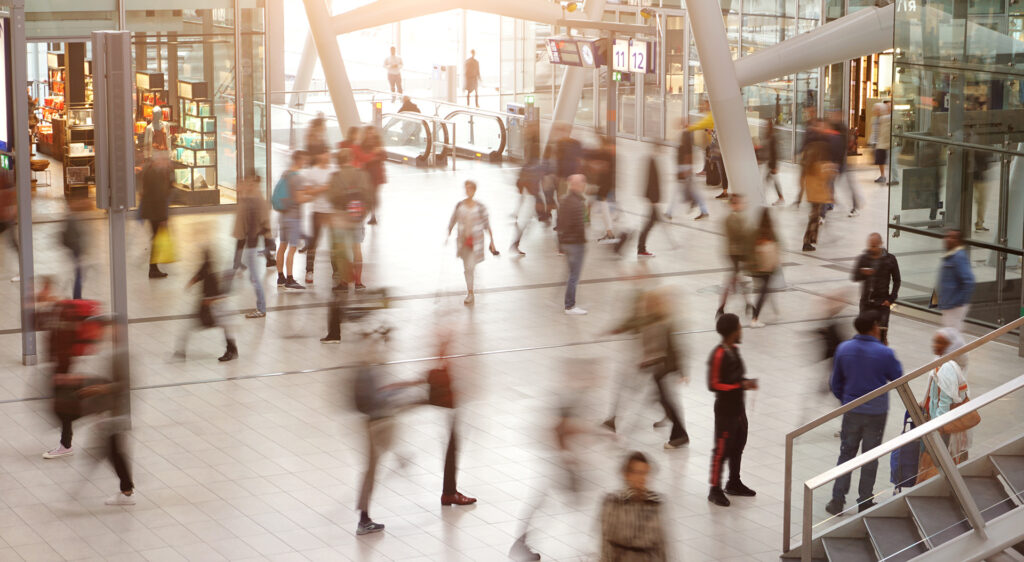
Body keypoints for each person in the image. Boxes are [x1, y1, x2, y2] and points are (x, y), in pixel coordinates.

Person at [825, 310, 903, 515]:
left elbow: (835, 382)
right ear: (874, 327)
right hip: (876, 412)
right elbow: (897, 376)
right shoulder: (883, 352)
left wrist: (846, 400)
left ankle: (837, 500)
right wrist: (885, 348)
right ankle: (865, 500)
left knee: (846, 454)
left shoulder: (844, 348)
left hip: (852, 410)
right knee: (870, 456)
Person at [606, 286, 690, 449]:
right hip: (653, 367)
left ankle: (680, 435)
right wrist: (617, 329)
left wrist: (682, 372)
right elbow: (633, 324)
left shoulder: (665, 322)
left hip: (663, 367)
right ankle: (677, 433)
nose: (647, 305)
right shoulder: (648, 319)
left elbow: (675, 348)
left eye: (651, 303)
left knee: (663, 400)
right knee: (661, 400)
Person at [707, 313, 758, 507]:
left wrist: (744, 383)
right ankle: (714, 489)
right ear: (732, 331)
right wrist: (740, 386)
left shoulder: (734, 350)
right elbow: (713, 384)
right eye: (739, 327)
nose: (741, 330)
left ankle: (733, 482)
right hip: (725, 411)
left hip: (738, 409)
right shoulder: (718, 354)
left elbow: (734, 380)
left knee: (738, 446)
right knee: (721, 449)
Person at [600, 452, 668, 560]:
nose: (642, 478)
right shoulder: (614, 502)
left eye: (645, 473)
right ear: (627, 475)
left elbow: (661, 544)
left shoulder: (655, 503)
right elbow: (606, 544)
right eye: (638, 473)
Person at [175, 249, 237, 362]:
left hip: (213, 309)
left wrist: (207, 302)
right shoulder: (208, 269)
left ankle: (232, 351)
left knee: (224, 326)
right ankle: (232, 350)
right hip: (210, 308)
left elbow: (218, 294)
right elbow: (198, 276)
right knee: (225, 327)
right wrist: (191, 283)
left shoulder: (211, 275)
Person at [922, 328, 971, 467]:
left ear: (951, 347)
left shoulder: (947, 368)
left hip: (942, 428)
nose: (935, 345)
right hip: (940, 425)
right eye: (935, 341)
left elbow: (945, 403)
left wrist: (936, 428)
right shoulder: (941, 362)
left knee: (938, 465)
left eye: (940, 343)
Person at [446, 180, 498, 305]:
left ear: (474, 191)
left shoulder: (480, 207)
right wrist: (449, 231)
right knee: (467, 267)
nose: (467, 190)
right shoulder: (460, 205)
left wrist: (492, 241)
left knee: (470, 267)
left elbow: (487, 224)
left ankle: (470, 292)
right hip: (463, 242)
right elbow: (453, 220)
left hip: (476, 242)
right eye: (466, 188)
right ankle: (470, 292)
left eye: (470, 188)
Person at [852, 233, 901, 345]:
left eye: (874, 246)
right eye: (870, 245)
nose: (871, 248)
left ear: (880, 244)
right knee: (864, 334)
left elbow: (897, 280)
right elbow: (854, 277)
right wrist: (862, 273)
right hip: (866, 302)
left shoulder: (890, 259)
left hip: (882, 303)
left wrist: (891, 299)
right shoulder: (864, 258)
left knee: (882, 335)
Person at [234, 175, 270, 318]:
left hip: (252, 244)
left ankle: (261, 309)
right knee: (253, 277)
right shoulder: (251, 200)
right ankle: (261, 307)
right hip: (251, 243)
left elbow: (258, 223)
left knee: (254, 278)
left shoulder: (253, 201)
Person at [275, 151, 310, 290]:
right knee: (292, 247)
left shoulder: (285, 174)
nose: (305, 163)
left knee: (282, 246)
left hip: (282, 216)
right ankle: (290, 278)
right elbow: (299, 199)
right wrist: (311, 198)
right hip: (294, 217)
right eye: (304, 160)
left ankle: (280, 277)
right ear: (299, 160)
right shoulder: (298, 178)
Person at [667, 117, 710, 221]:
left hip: (685, 168)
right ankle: (703, 210)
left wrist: (687, 169)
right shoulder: (683, 134)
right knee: (690, 191)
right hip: (682, 167)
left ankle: (669, 212)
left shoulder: (686, 134)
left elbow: (689, 153)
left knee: (679, 190)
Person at [303, 150, 335, 285]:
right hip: (317, 211)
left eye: (328, 153)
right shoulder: (312, 171)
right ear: (319, 155)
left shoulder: (334, 170)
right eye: (324, 153)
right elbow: (308, 191)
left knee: (335, 242)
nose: (326, 156)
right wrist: (323, 188)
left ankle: (337, 270)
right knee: (313, 243)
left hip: (332, 211)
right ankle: (309, 271)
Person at [558, 174, 588, 315]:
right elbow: (579, 225)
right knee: (574, 276)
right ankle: (570, 305)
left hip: (566, 243)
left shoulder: (564, 200)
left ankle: (569, 303)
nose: (584, 186)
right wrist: (583, 242)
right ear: (576, 185)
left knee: (571, 274)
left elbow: (559, 223)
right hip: (576, 244)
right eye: (582, 183)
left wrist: (560, 244)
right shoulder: (577, 203)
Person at [140, 153, 173, 278]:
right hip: (155, 213)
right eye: (164, 160)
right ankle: (153, 268)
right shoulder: (156, 174)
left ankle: (153, 267)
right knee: (156, 240)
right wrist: (163, 217)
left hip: (151, 211)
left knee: (155, 239)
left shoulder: (149, 171)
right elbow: (159, 196)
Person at [801, 141, 837, 252]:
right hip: (818, 196)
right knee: (813, 219)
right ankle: (807, 241)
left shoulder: (809, 166)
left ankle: (810, 239)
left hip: (812, 196)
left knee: (813, 218)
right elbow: (827, 178)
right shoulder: (819, 166)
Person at [717, 194, 749, 319]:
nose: (743, 205)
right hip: (735, 253)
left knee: (736, 279)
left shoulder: (734, 217)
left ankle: (747, 303)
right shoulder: (733, 218)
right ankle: (721, 307)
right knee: (732, 280)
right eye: (740, 202)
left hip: (734, 252)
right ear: (734, 204)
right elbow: (738, 235)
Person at [747, 208, 780, 329]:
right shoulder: (771, 233)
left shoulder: (756, 232)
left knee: (764, 290)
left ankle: (769, 311)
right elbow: (778, 248)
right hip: (768, 268)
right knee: (764, 292)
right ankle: (755, 318)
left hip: (757, 268)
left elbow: (749, 250)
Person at [937, 229, 975, 330]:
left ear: (958, 241)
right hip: (949, 304)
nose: (947, 239)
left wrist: (958, 302)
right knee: (951, 334)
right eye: (947, 236)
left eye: (952, 237)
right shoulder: (950, 256)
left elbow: (969, 281)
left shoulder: (959, 257)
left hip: (954, 306)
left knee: (951, 335)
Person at [62, 191, 89, 299]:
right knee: (78, 275)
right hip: (76, 251)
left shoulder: (74, 217)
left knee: (79, 275)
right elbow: (73, 237)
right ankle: (77, 297)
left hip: (76, 251)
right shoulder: (72, 218)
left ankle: (77, 296)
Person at [359, 127, 387, 225]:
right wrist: (374, 155)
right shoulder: (363, 145)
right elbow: (361, 157)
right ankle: (371, 213)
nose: (370, 135)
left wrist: (372, 157)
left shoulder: (378, 143)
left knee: (374, 195)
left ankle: (373, 214)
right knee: (368, 195)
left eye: (372, 133)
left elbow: (384, 156)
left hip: (376, 173)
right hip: (366, 173)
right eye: (368, 133)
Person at [637, 155, 661, 258]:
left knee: (651, 222)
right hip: (652, 199)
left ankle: (641, 248)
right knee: (649, 223)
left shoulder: (653, 159)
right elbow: (651, 182)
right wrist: (653, 200)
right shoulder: (652, 160)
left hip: (653, 199)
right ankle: (641, 249)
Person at [763, 119, 784, 206]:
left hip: (772, 164)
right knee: (770, 180)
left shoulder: (773, 137)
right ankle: (780, 198)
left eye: (767, 125)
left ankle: (780, 198)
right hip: (769, 163)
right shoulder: (768, 136)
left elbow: (775, 151)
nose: (766, 126)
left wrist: (775, 166)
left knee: (770, 180)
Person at [873, 100, 891, 183]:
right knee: (881, 160)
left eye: (877, 109)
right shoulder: (878, 119)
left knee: (883, 160)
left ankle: (885, 176)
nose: (876, 111)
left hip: (884, 143)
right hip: (881, 143)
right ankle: (883, 175)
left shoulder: (885, 118)